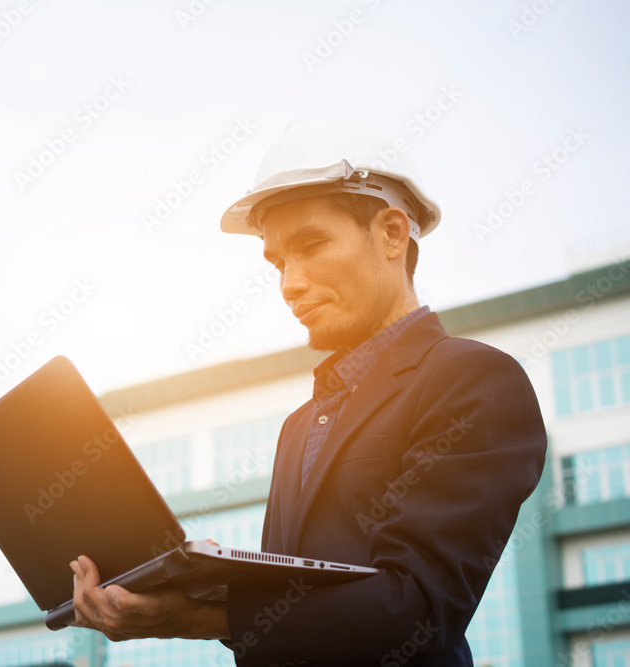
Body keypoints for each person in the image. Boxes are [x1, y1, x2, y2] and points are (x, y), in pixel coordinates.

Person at [70, 117, 548, 665]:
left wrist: (201, 619)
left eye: (312, 245)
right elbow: (292, 609)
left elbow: (416, 608)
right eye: (278, 262)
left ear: (392, 234)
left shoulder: (474, 380)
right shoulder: (299, 425)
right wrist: (180, 592)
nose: (289, 283)